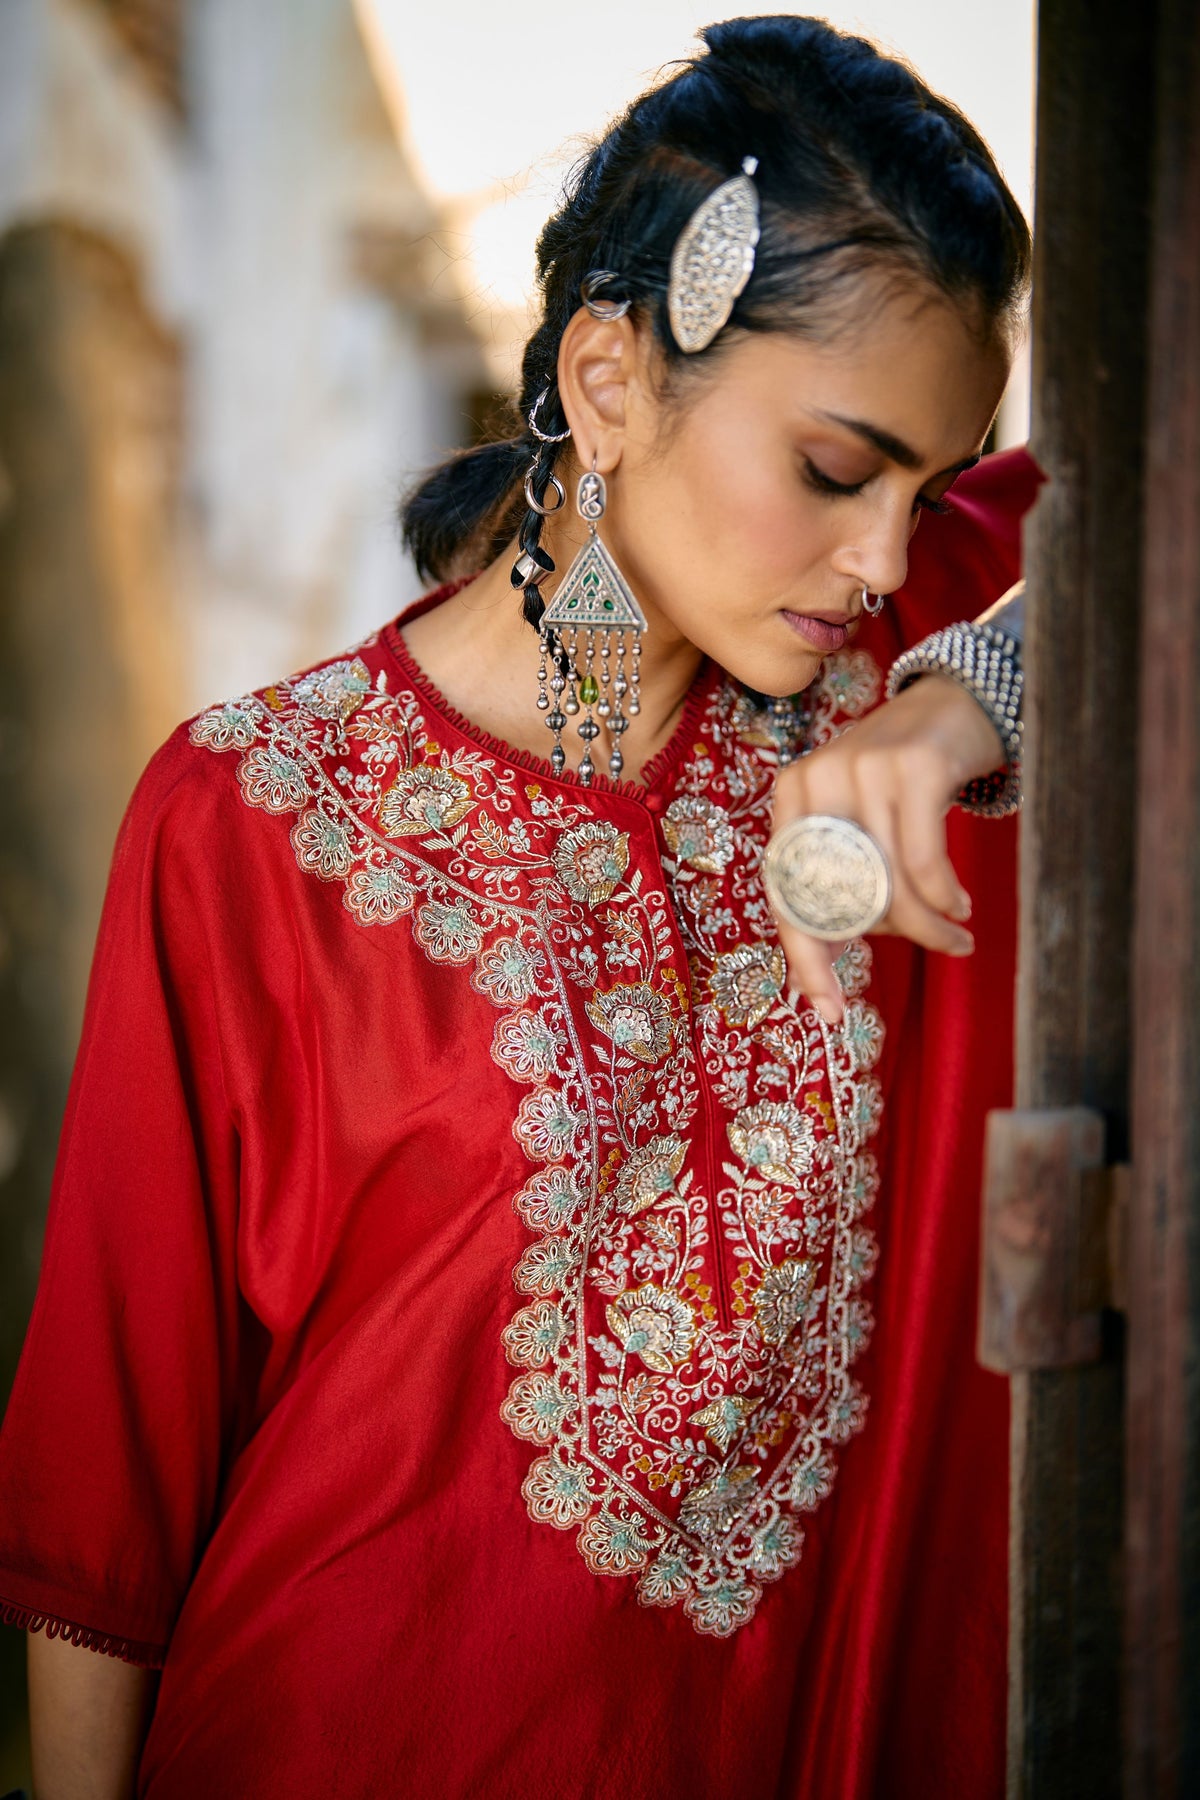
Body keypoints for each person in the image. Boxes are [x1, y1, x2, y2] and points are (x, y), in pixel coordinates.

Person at [0, 16, 1041, 1798]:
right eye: (834, 469)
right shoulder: (246, 823)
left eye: (928, 491)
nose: (882, 553)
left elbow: (1156, 518)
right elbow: (108, 1511)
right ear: (615, 376)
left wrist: (976, 700)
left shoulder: (904, 672)